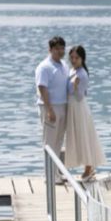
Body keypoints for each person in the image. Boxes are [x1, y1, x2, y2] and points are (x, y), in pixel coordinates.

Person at [65, 45, 106, 182]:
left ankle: (89, 168)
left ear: (82, 59)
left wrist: (74, 86)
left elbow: (79, 96)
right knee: (78, 136)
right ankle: (88, 167)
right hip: (73, 108)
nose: (73, 60)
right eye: (72, 58)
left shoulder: (82, 74)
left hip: (79, 108)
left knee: (84, 136)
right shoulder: (72, 70)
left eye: (76, 58)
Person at [35, 36, 69, 184]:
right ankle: (48, 176)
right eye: (57, 49)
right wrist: (49, 109)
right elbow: (42, 88)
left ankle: (56, 173)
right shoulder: (44, 67)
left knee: (58, 142)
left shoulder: (63, 65)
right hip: (50, 107)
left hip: (62, 106)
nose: (60, 51)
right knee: (49, 142)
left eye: (62, 49)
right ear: (50, 50)